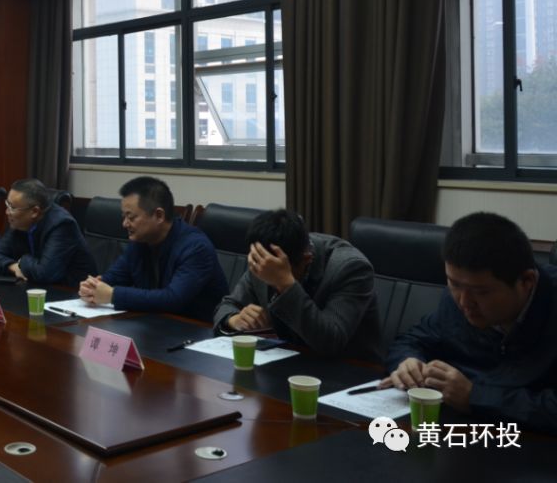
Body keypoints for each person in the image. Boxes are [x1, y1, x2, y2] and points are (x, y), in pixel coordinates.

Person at [383, 212, 557, 434]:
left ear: (526, 281)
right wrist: (408, 361)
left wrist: (475, 397)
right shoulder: (459, 297)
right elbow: (413, 339)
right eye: (454, 284)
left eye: (481, 292)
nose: (464, 303)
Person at [212, 209, 382, 361]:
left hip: (348, 369)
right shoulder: (265, 259)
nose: (268, 278)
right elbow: (228, 305)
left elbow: (331, 341)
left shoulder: (350, 268)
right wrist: (235, 320)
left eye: (276, 273)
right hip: (286, 360)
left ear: (307, 259)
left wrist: (286, 285)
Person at [79, 177, 227, 320]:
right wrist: (93, 286)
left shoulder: (196, 247)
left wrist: (113, 295)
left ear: (159, 215)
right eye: (123, 216)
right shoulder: (140, 241)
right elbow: (115, 277)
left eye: (131, 217)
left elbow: (173, 299)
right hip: (155, 322)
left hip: (196, 329)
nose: (125, 224)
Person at [0, 179, 95, 287]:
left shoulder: (62, 225)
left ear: (34, 211)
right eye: (7, 204)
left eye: (12, 207)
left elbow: (45, 273)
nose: (7, 212)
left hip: (71, 291)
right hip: (36, 286)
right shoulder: (19, 221)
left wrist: (23, 261)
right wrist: (13, 266)